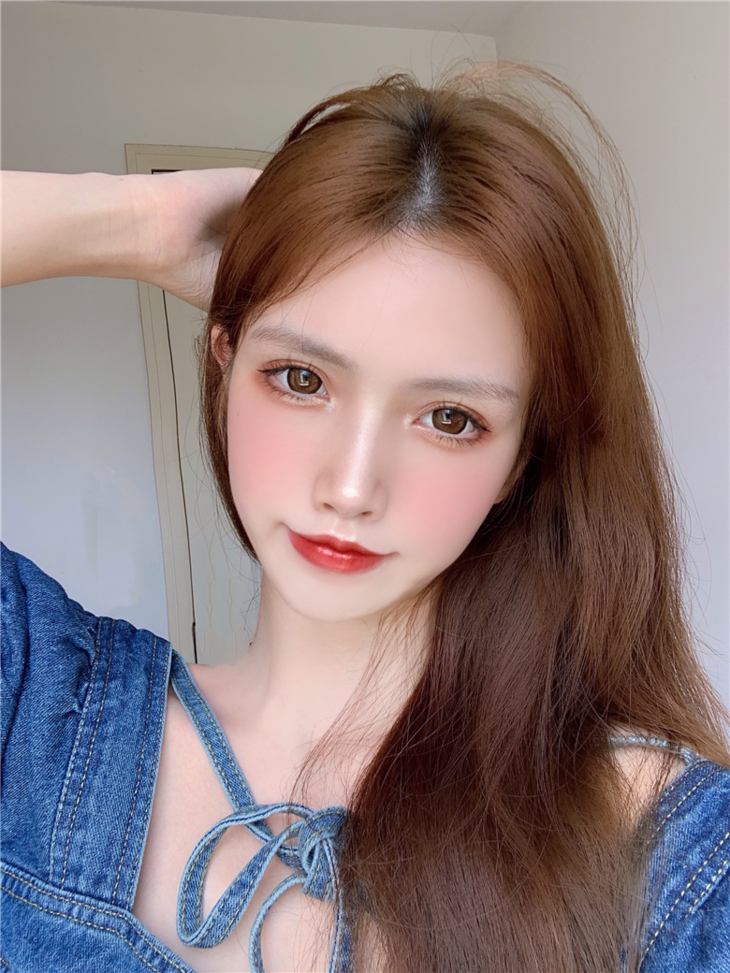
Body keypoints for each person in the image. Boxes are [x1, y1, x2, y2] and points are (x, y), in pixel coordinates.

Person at [2, 63, 729, 973]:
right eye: (301, 378)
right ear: (224, 364)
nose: (351, 487)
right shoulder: (35, 710)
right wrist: (133, 222)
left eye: (450, 418)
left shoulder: (669, 857)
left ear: (520, 458)